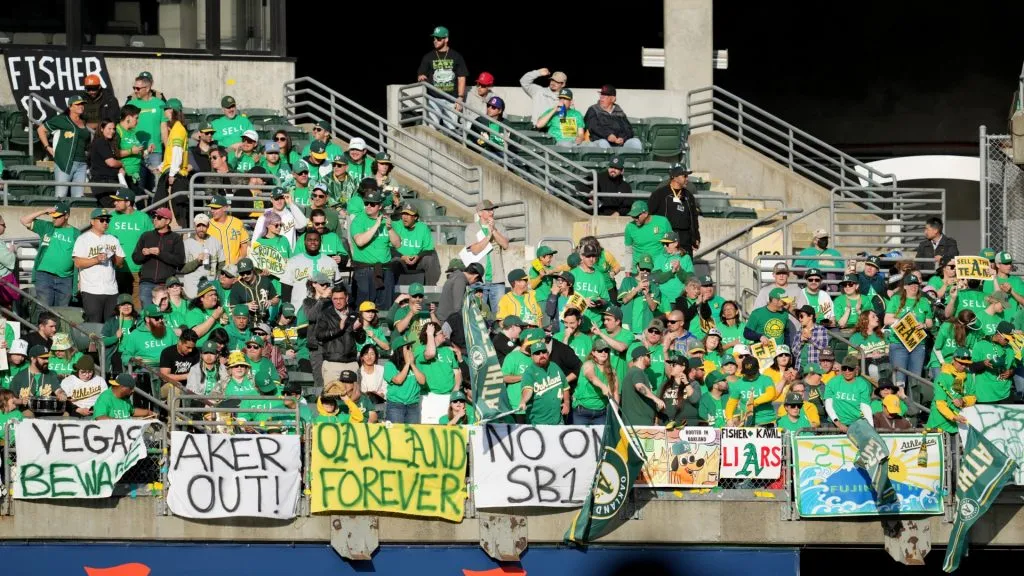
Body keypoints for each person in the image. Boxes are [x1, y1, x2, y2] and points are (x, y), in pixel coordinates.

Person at [20, 202, 79, 307]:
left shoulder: (76, 233)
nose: (54, 219)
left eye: (57, 217)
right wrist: (44, 211)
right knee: (44, 310)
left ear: (66, 216)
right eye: (52, 217)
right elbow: (24, 220)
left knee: (62, 312)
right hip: (44, 275)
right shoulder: (47, 226)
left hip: (65, 278)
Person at [73, 208, 126, 323]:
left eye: (107, 220)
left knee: (110, 324)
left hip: (111, 290)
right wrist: (96, 259)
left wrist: (113, 257)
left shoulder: (112, 239)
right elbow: (77, 262)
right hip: (91, 290)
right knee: (94, 323)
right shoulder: (83, 239)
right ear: (92, 222)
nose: (105, 222)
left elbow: (120, 263)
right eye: (101, 220)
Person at [37, 93, 90, 198]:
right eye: (78, 104)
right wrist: (48, 147)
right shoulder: (62, 119)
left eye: (82, 104)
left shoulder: (83, 121)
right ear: (70, 106)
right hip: (64, 163)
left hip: (81, 164)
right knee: (61, 195)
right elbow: (41, 129)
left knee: (78, 197)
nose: (81, 106)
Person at [417, 25, 469, 133]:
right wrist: (421, 77)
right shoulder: (428, 57)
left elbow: (461, 77)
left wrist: (460, 98)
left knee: (451, 130)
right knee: (432, 129)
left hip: (451, 99)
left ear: (446, 39)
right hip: (433, 98)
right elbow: (421, 74)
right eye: (434, 38)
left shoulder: (456, 56)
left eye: (439, 38)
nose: (435, 41)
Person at [132, 207, 186, 308]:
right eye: (154, 217)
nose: (155, 219)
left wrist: (160, 253)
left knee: (165, 314)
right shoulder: (146, 236)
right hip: (146, 283)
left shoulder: (176, 238)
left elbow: (179, 261)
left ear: (168, 221)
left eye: (159, 217)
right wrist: (144, 254)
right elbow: (135, 258)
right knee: (147, 313)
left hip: (166, 284)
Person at [647, 164, 701, 256]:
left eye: (687, 176)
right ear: (675, 177)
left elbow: (693, 218)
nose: (687, 178)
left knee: (686, 267)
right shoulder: (660, 194)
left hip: (685, 237)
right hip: (666, 236)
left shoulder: (688, 195)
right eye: (684, 176)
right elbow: (650, 215)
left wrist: (696, 237)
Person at [582, 85, 642, 150]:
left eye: (605, 96)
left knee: (636, 142)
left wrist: (623, 138)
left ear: (613, 99)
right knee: (603, 143)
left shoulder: (619, 111)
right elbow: (594, 127)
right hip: (601, 141)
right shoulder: (593, 109)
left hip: (619, 143)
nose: (601, 98)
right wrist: (608, 135)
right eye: (601, 95)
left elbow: (629, 130)